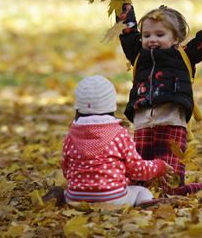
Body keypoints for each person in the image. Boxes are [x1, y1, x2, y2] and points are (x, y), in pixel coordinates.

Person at [116, 0, 202, 195]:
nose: (152, 40)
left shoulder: (185, 54)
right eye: (147, 35)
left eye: (160, 35)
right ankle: (145, 201)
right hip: (142, 124)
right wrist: (122, 0)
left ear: (176, 37)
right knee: (141, 181)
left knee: (171, 184)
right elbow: (128, 30)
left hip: (172, 123)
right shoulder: (138, 55)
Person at [59, 75, 175, 206]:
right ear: (111, 106)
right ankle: (145, 202)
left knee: (66, 192)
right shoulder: (119, 134)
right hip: (113, 197)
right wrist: (159, 166)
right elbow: (137, 170)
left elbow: (66, 169)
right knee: (140, 191)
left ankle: (63, 197)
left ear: (78, 108)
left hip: (75, 198)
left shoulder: (71, 136)